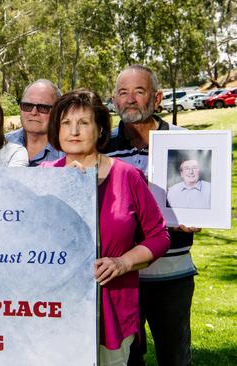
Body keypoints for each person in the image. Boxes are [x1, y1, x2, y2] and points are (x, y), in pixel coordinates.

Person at [42, 89, 170, 366]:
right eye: (66, 123)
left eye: (83, 123)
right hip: (56, 311)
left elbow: (159, 236)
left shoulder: (127, 176)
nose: (74, 131)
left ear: (100, 129)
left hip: (113, 308)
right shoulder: (43, 177)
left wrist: (123, 263)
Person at [102, 65, 199, 366]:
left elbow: (204, 199)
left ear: (157, 98)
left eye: (139, 91)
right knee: (128, 358)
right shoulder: (103, 149)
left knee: (174, 356)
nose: (130, 99)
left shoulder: (185, 143)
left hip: (172, 273)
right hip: (121, 276)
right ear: (114, 100)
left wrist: (200, 216)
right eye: (122, 92)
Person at [5, 79, 64, 166]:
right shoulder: (2, 144)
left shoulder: (68, 152)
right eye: (27, 106)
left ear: (58, 112)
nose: (33, 113)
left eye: (43, 107)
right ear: (20, 108)